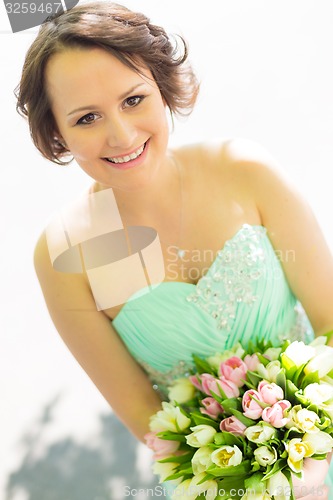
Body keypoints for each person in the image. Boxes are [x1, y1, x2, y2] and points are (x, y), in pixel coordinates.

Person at [16, 1, 333, 498]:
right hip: (222, 480)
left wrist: (313, 440)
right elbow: (148, 418)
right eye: (87, 118)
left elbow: (331, 319)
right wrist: (249, 479)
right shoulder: (64, 256)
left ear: (162, 86)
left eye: (134, 100)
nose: (121, 135)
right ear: (56, 132)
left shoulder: (245, 171)